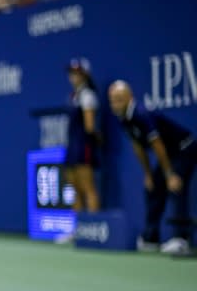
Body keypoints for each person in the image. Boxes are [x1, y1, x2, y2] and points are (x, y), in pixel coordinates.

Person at [108, 80, 197, 255]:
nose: (115, 104)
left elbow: (157, 145)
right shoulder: (123, 119)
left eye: (119, 99)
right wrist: (148, 174)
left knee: (176, 185)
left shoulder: (141, 114)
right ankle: (151, 238)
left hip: (185, 148)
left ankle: (181, 239)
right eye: (112, 100)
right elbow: (138, 147)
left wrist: (170, 174)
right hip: (171, 153)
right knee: (154, 188)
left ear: (130, 97)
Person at [64, 59, 101, 215]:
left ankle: (93, 228)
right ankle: (77, 230)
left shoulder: (88, 96)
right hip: (72, 146)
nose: (73, 75)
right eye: (71, 72)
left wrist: (97, 140)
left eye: (77, 72)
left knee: (88, 187)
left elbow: (90, 127)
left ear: (85, 75)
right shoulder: (73, 96)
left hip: (84, 146)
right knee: (73, 187)